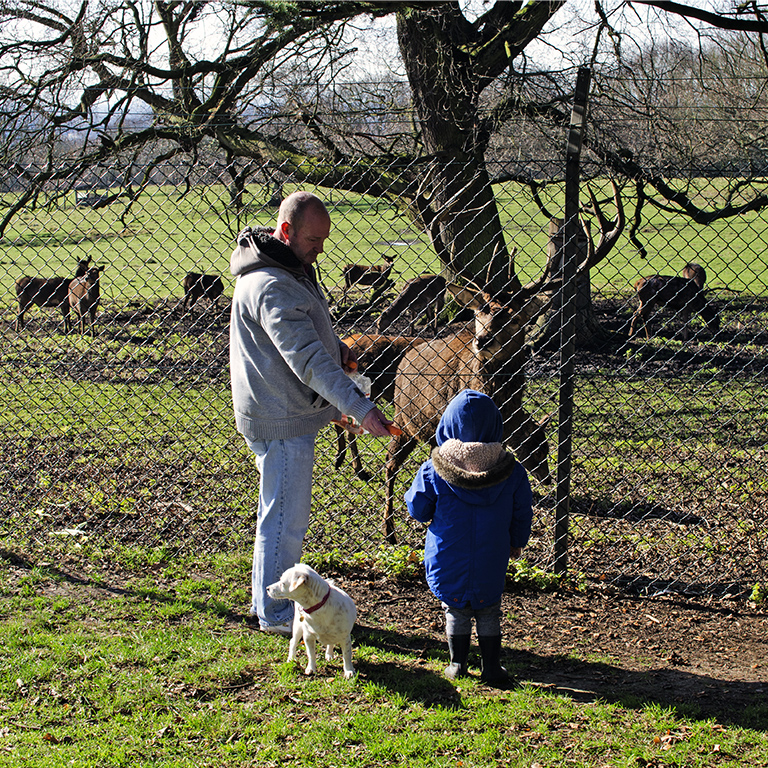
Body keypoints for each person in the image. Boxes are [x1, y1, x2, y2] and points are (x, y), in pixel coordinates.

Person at [229, 190, 393, 634]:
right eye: (312, 240)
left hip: (285, 409)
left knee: (280, 513)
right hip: (280, 418)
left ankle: (268, 604)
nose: (320, 250)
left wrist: (336, 348)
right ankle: (279, 613)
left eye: (323, 240)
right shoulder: (272, 284)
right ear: (284, 231)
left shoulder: (288, 268)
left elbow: (306, 337)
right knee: (283, 521)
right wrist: (359, 406)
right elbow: (304, 359)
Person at [405, 389, 533, 685]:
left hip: (448, 556)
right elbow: (521, 513)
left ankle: (457, 663)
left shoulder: (434, 470)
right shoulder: (511, 472)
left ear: (447, 426)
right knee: (489, 608)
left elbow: (418, 509)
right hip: (492, 556)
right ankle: (491, 666)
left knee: (456, 608)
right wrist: (517, 541)